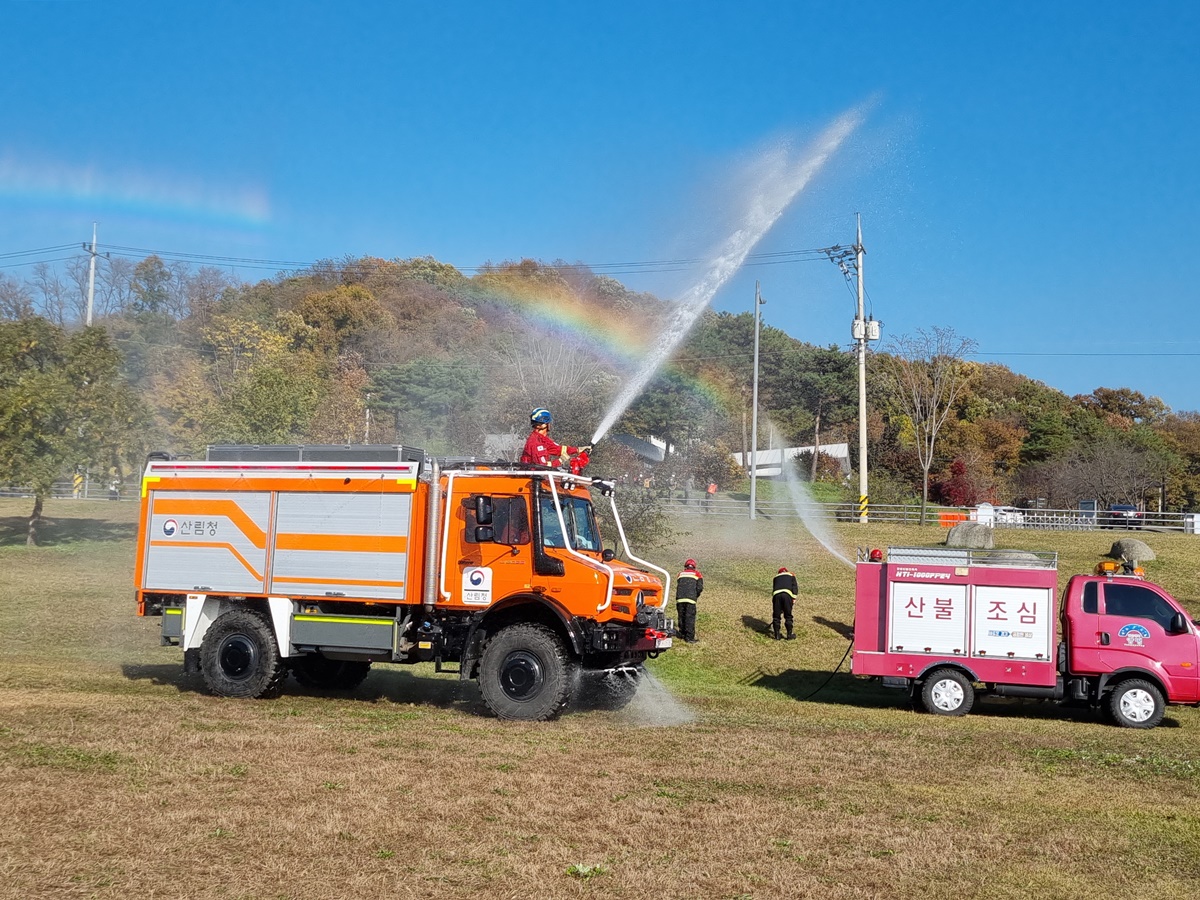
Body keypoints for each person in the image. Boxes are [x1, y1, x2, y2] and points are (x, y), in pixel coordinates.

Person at [520, 407, 591, 469]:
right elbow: (542, 466)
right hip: (532, 480)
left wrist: (578, 450)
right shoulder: (535, 443)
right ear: (543, 425)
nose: (550, 424)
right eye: (548, 422)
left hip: (538, 478)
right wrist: (560, 461)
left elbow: (557, 449)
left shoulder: (542, 439)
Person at [675, 558, 703, 643]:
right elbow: (700, 587)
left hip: (680, 598)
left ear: (685, 566)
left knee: (681, 616)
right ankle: (689, 638)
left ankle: (682, 634)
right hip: (690, 599)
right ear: (694, 567)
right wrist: (695, 595)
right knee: (689, 618)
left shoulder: (680, 574)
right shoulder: (697, 574)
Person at [772, 565, 798, 641]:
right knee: (788, 615)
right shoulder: (791, 575)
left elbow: (774, 589)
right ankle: (789, 635)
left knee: (776, 616)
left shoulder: (775, 577)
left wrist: (779, 607)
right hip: (787, 595)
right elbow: (795, 587)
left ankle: (777, 636)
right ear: (786, 571)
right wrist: (793, 598)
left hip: (776, 596)